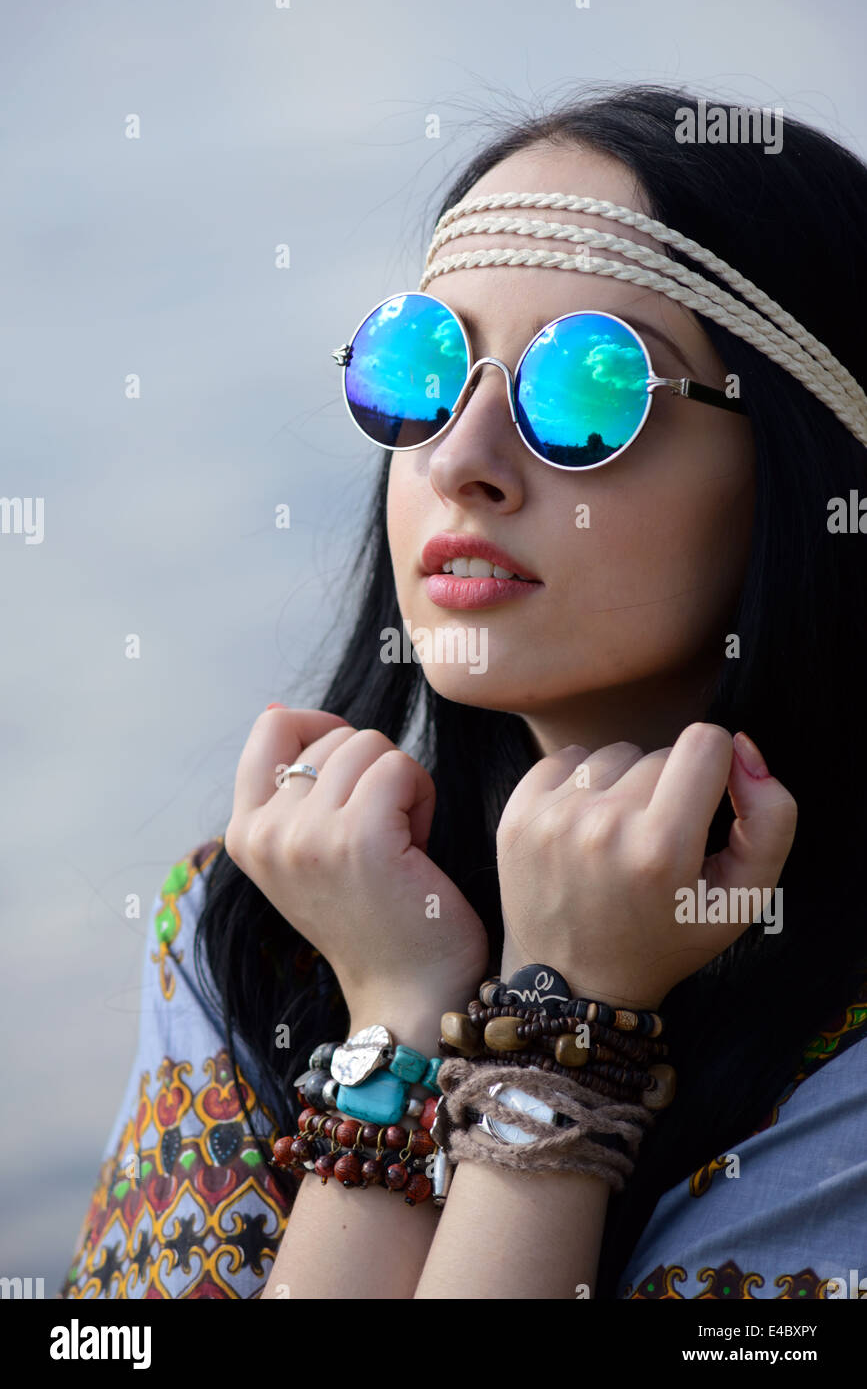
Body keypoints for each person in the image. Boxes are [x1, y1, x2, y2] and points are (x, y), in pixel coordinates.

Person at [60, 83, 867, 1301]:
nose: (458, 460)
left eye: (589, 388)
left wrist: (568, 1029)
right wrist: (392, 1007)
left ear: (807, 464)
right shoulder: (266, 924)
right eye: (421, 368)